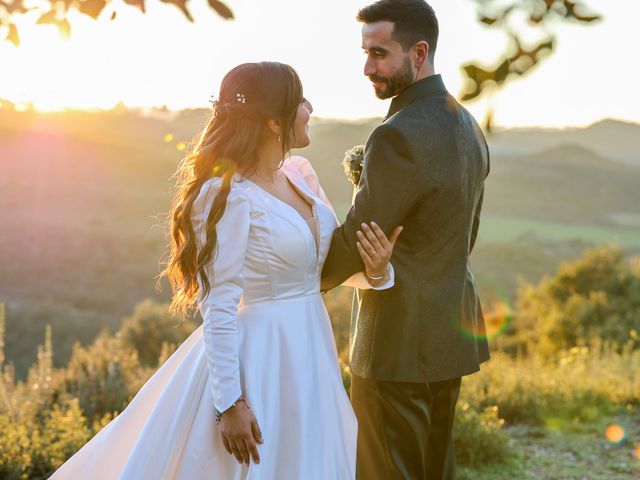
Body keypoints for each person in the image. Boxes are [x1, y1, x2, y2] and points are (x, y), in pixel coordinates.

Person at [50, 61, 401, 479]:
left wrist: (376, 272)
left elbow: (315, 268)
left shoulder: (300, 176)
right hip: (260, 356)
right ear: (274, 122)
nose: (310, 107)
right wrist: (229, 404)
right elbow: (218, 305)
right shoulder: (227, 195)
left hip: (310, 345)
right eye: (300, 101)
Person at [321, 1, 491, 479]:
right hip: (449, 333)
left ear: (419, 53)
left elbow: (360, 237)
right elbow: (464, 236)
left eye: (379, 54)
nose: (367, 67)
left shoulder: (397, 136)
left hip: (395, 344)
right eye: (365, 53)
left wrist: (287, 278)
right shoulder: (468, 126)